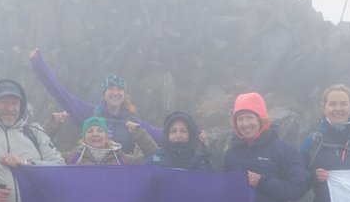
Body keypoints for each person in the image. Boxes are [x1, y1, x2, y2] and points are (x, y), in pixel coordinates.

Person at [29, 48, 164, 154]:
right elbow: (61, 94)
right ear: (104, 94)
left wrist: (182, 132)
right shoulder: (89, 114)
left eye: (119, 89)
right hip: (92, 175)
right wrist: (38, 65)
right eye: (111, 89)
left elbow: (160, 136)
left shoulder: (132, 123)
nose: (115, 93)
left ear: (124, 94)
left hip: (122, 178)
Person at [65, 116, 157, 165]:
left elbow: (155, 158)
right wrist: (53, 126)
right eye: (90, 131)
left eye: (100, 131)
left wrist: (139, 133)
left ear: (106, 137)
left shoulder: (122, 159)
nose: (95, 134)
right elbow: (50, 157)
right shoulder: (72, 158)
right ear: (84, 139)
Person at [145, 111, 215, 171]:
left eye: (183, 131)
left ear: (190, 134)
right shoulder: (154, 161)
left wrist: (205, 151)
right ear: (167, 135)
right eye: (173, 131)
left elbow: (212, 183)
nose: (178, 135)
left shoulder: (201, 162)